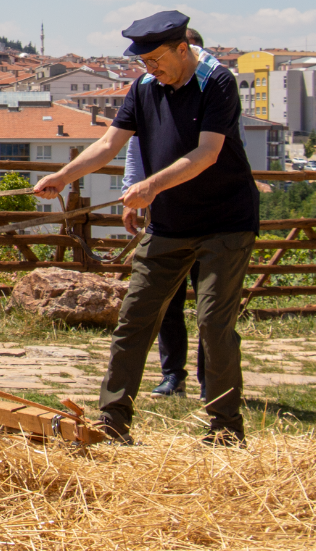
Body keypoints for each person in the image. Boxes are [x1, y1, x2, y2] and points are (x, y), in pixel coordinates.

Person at [34, 10, 258, 447]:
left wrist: (149, 186)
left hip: (225, 222)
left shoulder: (218, 82)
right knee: (135, 319)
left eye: (156, 59)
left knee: (214, 322)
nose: (150, 68)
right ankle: (113, 423)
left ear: (182, 49)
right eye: (143, 61)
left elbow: (208, 153)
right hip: (170, 222)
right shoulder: (142, 87)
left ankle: (227, 429)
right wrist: (64, 176)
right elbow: (109, 143)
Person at [122, 27, 206, 400]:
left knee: (210, 306)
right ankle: (173, 375)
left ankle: (211, 380)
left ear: (184, 51)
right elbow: (132, 145)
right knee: (167, 302)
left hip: (209, 213)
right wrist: (132, 191)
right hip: (166, 212)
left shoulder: (212, 88)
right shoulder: (148, 91)